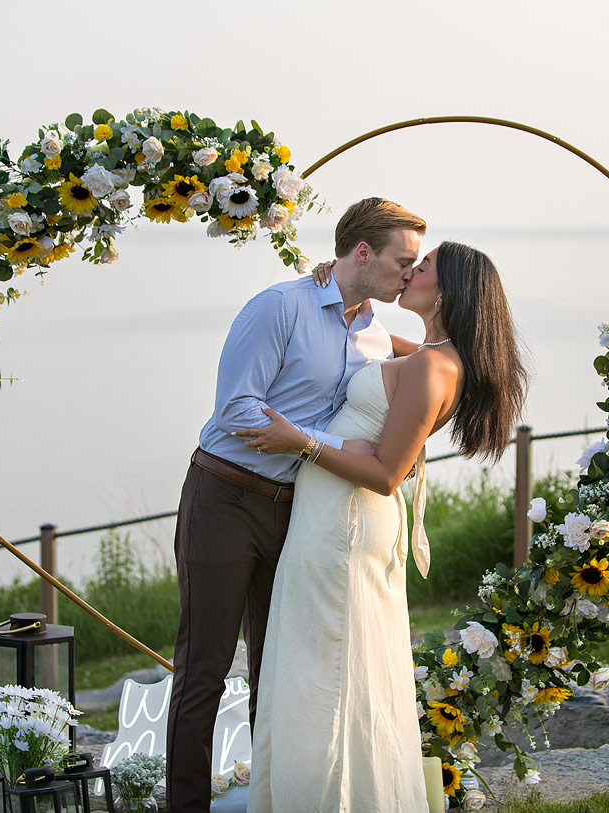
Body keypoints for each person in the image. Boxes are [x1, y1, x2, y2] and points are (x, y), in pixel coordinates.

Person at [238, 241, 528, 811]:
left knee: (326, 675)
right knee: (323, 669)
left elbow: (386, 473)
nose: (411, 272)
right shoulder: (425, 352)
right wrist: (337, 283)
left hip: (344, 528)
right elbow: (353, 339)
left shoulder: (432, 367)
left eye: (424, 268)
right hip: (329, 522)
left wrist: (301, 443)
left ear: (447, 292)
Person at [166, 198, 427, 812]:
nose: (410, 275)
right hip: (226, 495)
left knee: (276, 668)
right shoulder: (279, 306)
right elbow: (236, 410)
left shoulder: (373, 333)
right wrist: (337, 445)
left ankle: (272, 800)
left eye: (417, 266)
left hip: (297, 509)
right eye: (403, 261)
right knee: (203, 667)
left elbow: (445, 365)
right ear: (362, 252)